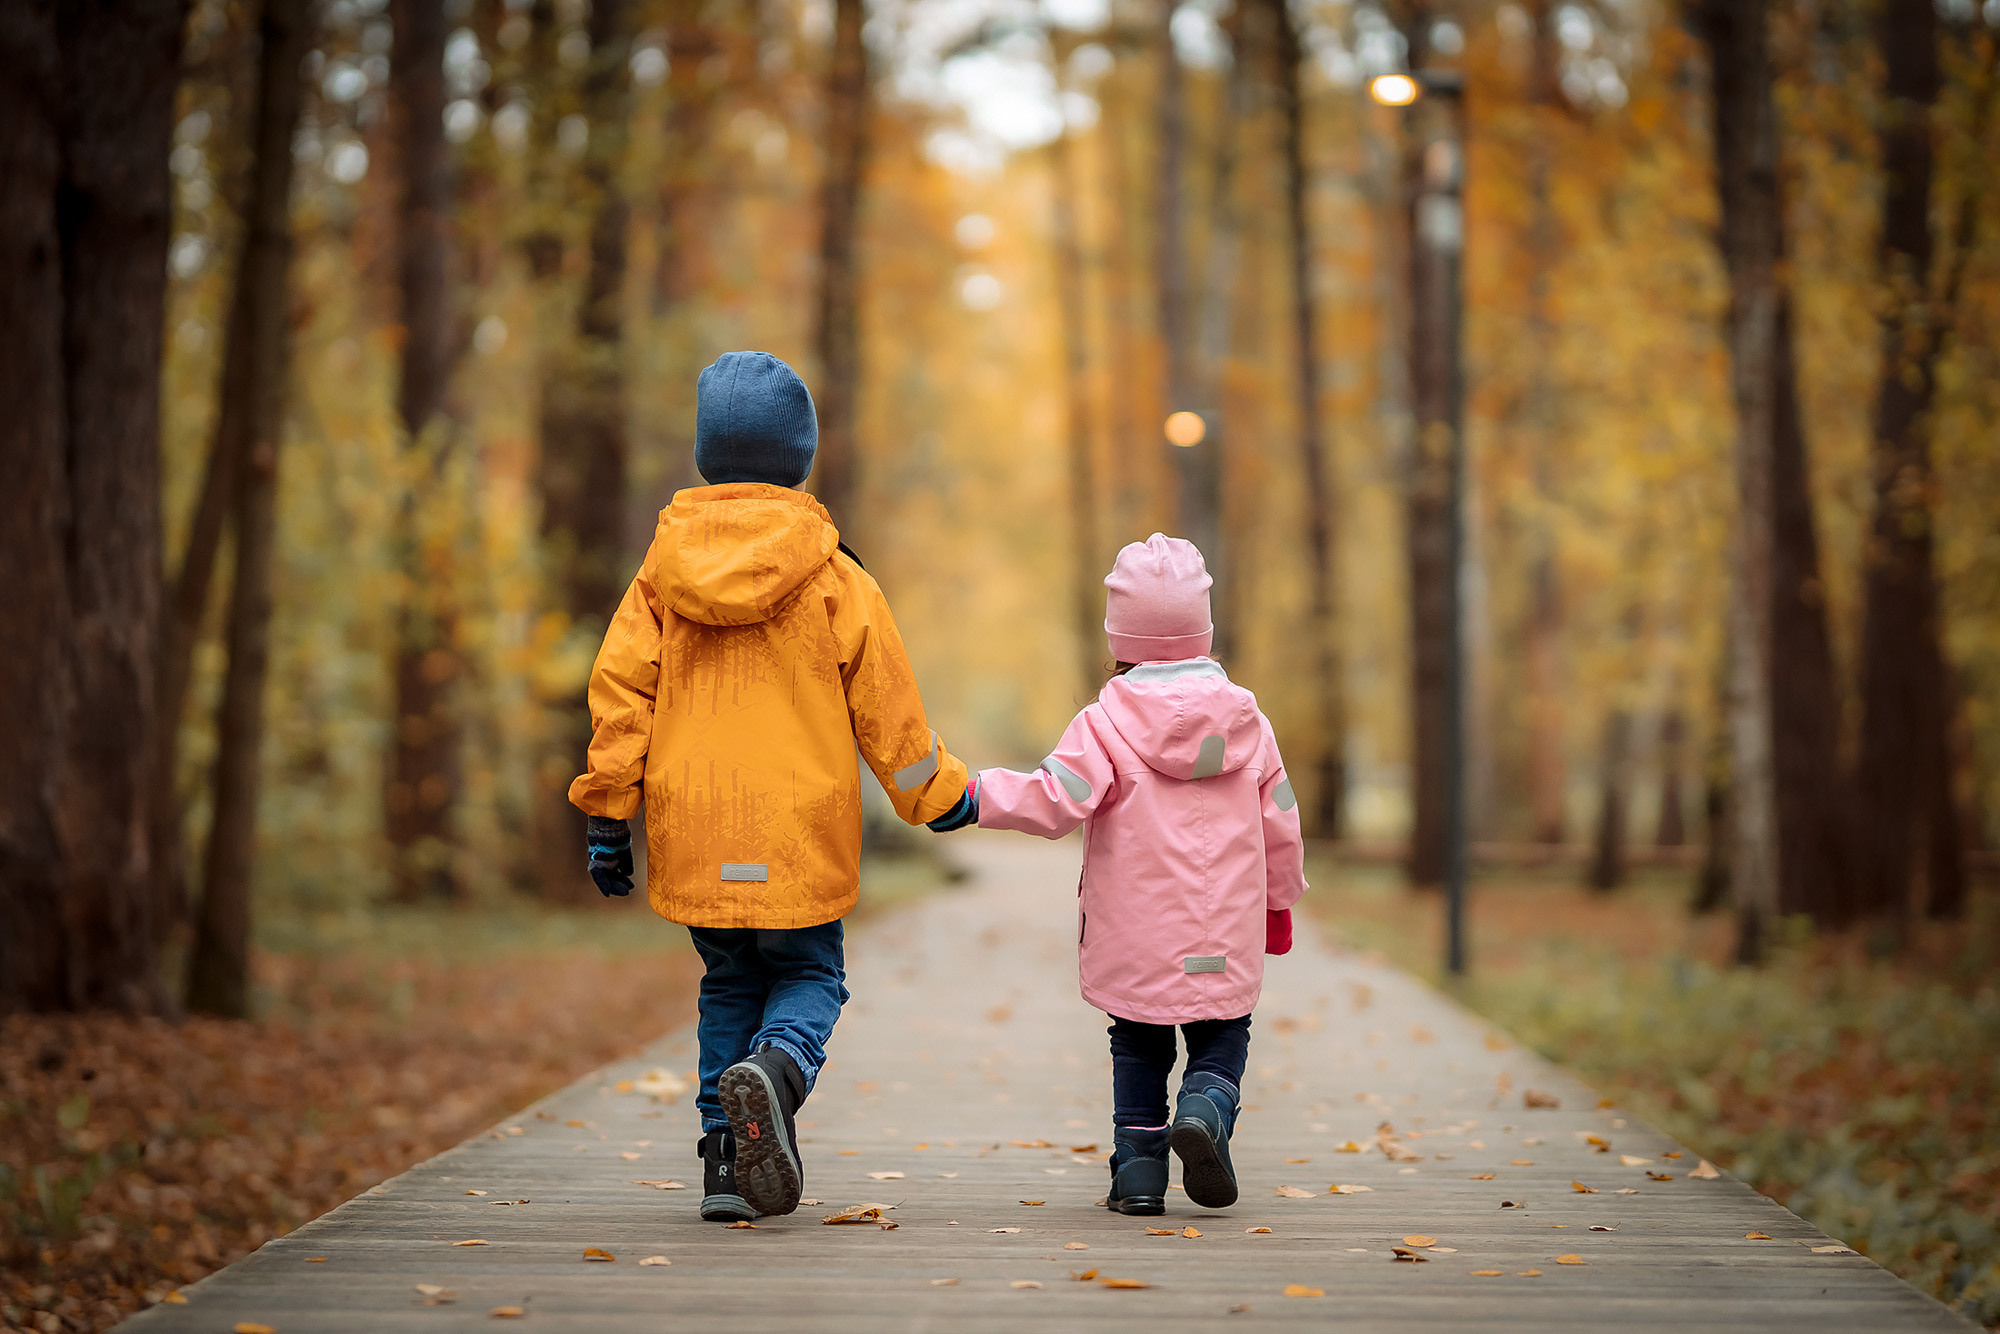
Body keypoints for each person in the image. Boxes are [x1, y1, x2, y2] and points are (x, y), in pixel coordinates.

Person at [569, 351, 974, 1223]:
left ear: (707, 454)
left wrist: (608, 816)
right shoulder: (835, 576)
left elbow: (620, 695)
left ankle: (724, 1164)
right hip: (797, 833)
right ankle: (780, 1070)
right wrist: (938, 796)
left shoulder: (661, 575)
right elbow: (888, 712)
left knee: (726, 986)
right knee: (809, 976)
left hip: (699, 827)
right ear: (801, 457)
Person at [930, 533, 1305, 1214]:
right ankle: (1209, 1102)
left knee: (1137, 1039)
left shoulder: (1104, 723)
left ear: (1121, 638)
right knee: (1224, 1027)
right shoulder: (1249, 723)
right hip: (1228, 924)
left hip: (1136, 930)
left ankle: (1137, 1169)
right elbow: (1280, 815)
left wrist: (975, 797)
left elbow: (1054, 795)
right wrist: (1278, 900)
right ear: (1203, 631)